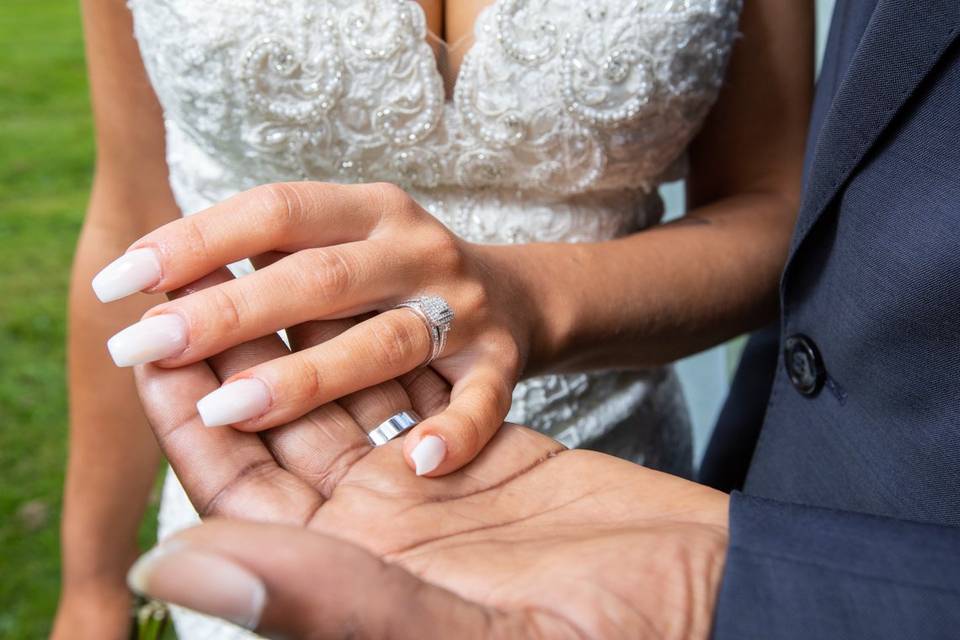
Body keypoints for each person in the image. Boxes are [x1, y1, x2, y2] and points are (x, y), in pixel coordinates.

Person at [126, 0, 960, 638]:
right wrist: (91, 582)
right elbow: (131, 215)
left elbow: (782, 209)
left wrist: (528, 297)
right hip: (266, 467)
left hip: (608, 487)